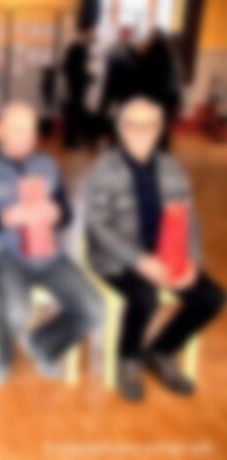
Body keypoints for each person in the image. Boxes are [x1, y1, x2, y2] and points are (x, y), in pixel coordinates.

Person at [85, 98, 224, 402]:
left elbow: (189, 217)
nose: (140, 131)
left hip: (166, 252)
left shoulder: (172, 168)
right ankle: (128, 358)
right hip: (116, 257)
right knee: (144, 295)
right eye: (132, 124)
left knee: (211, 298)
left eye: (148, 124)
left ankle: (162, 351)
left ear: (159, 128)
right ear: (120, 128)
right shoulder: (104, 169)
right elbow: (98, 225)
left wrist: (190, 260)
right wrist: (139, 260)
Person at [0, 103, 101, 384]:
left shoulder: (47, 165)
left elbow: (67, 214)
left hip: (48, 254)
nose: (26, 137)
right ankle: (2, 353)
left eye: (30, 130)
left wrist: (58, 213)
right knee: (16, 313)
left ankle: (41, 344)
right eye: (17, 129)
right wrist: (2, 218)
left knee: (94, 309)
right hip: (1, 254)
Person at [136, 30, 181, 149]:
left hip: (153, 96)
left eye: (150, 38)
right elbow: (175, 79)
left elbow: (141, 74)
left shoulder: (149, 54)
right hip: (165, 97)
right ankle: (161, 148)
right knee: (162, 126)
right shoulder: (169, 55)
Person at [99, 26, 138, 133]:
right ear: (120, 35)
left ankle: (120, 131)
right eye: (124, 34)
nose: (126, 36)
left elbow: (135, 68)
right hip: (112, 84)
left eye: (128, 34)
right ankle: (103, 131)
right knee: (105, 109)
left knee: (124, 110)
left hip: (126, 86)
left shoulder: (133, 50)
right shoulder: (113, 48)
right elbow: (108, 64)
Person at [61, 26, 95, 149]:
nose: (91, 37)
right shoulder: (77, 48)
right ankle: (70, 141)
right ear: (83, 34)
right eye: (89, 34)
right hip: (76, 85)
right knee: (74, 112)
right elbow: (69, 68)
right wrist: (86, 77)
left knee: (76, 112)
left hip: (78, 85)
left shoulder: (81, 48)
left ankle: (72, 139)